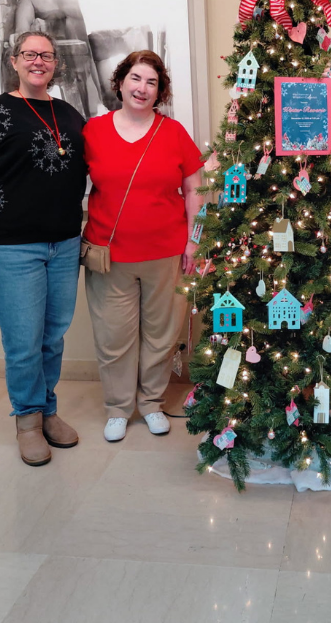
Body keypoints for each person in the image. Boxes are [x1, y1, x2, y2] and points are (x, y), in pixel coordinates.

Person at [0, 27, 87, 465]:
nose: (38, 61)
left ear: (56, 64)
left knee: (53, 337)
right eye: (29, 54)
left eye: (47, 55)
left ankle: (48, 410)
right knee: (24, 341)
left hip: (65, 243)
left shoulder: (71, 115)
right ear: (13, 61)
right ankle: (28, 421)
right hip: (11, 247)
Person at [82, 50, 204, 441]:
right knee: (113, 336)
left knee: (161, 334)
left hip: (167, 252)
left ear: (160, 92)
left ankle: (150, 403)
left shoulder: (174, 133)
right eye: (136, 78)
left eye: (152, 82)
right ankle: (119, 408)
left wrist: (193, 243)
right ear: (120, 82)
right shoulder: (93, 131)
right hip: (109, 255)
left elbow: (194, 188)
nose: (142, 88)